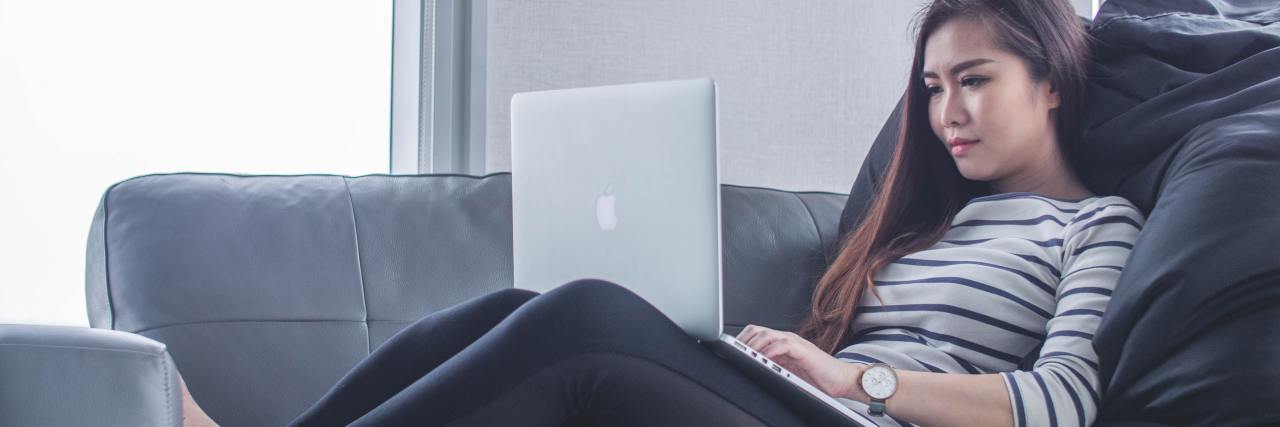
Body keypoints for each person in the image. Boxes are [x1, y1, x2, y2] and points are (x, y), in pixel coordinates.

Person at [179, 0, 1145, 425]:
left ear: (1052, 80)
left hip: (861, 420)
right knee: (512, 305)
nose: (945, 115)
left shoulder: (1096, 226)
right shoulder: (930, 222)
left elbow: (1061, 403)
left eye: (972, 81)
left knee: (588, 316)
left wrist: (857, 381)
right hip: (818, 406)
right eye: (932, 89)